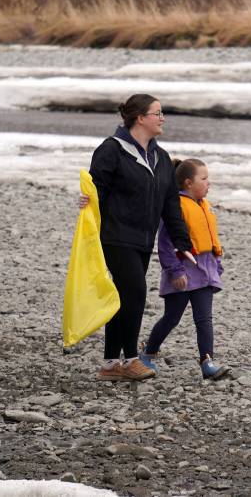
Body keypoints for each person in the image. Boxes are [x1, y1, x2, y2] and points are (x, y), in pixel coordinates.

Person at [84, 94, 194, 382]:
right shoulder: (111, 150)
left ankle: (110, 365)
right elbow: (96, 192)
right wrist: (87, 205)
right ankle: (131, 359)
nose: (162, 118)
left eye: (162, 113)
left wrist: (182, 243)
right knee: (135, 292)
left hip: (142, 239)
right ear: (140, 118)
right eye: (157, 113)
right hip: (114, 235)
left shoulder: (162, 157)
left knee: (123, 296)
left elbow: (171, 205)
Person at [139, 158, 231, 380]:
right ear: (188, 183)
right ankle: (147, 353)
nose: (209, 183)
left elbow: (209, 242)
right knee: (172, 318)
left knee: (204, 318)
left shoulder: (204, 206)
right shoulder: (176, 208)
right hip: (183, 275)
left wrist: (216, 266)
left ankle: (207, 362)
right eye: (204, 178)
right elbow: (165, 245)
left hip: (204, 274)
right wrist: (176, 271)